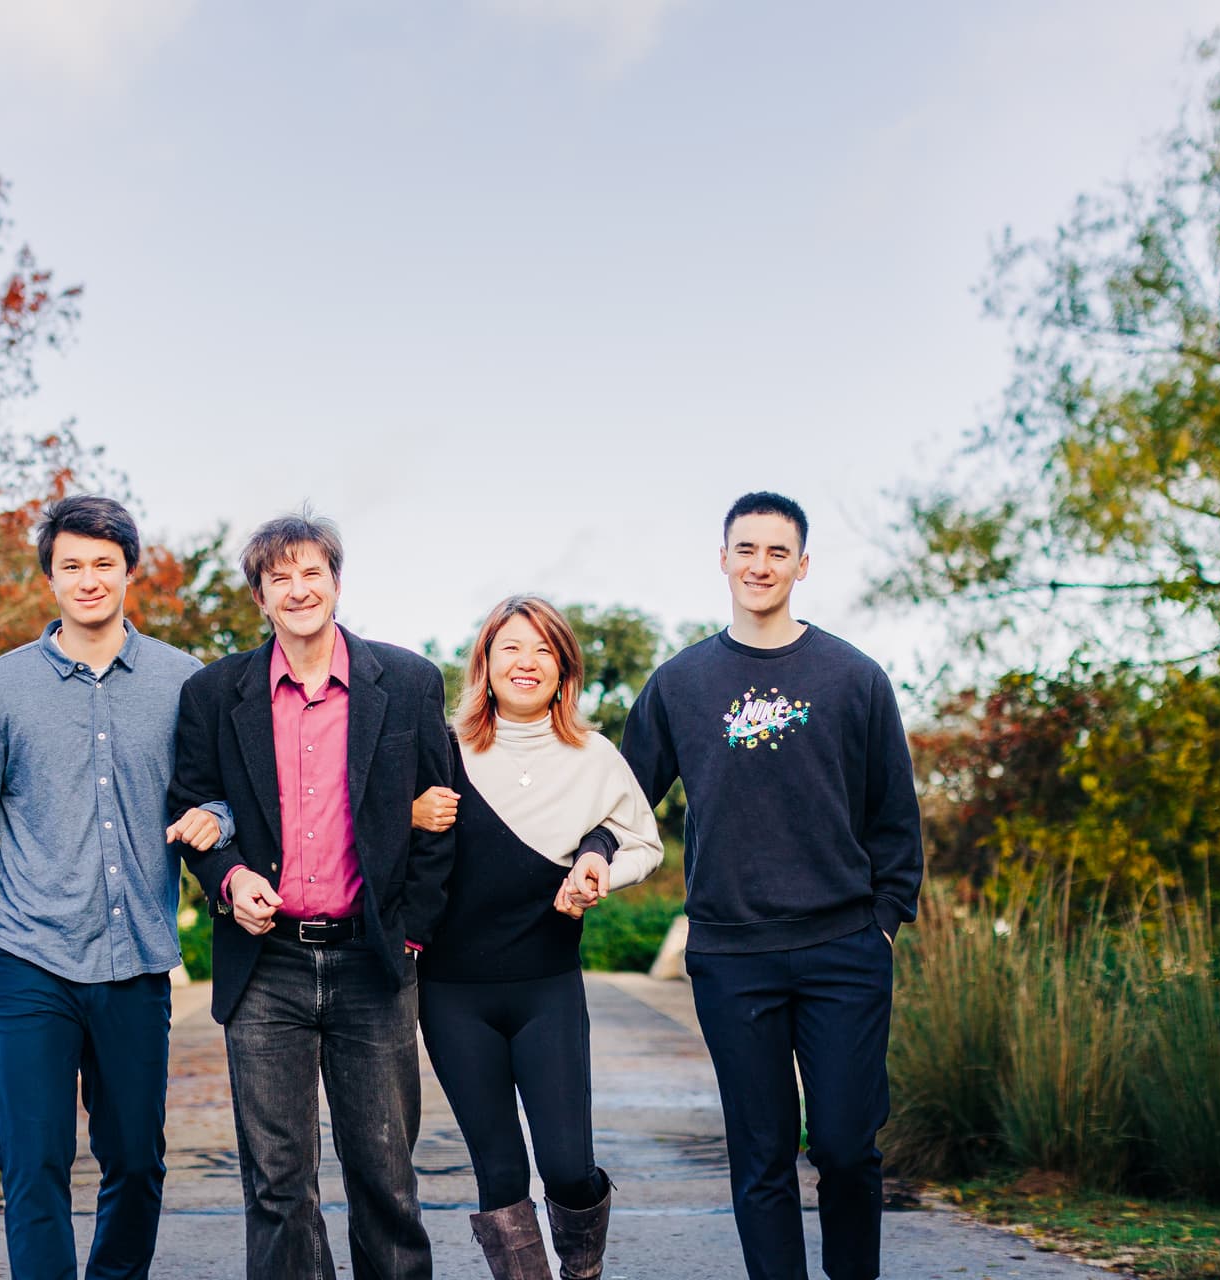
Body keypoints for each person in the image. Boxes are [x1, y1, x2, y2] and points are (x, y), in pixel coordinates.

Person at [618, 491, 923, 1280]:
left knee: (848, 1148)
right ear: (723, 559)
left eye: (777, 552)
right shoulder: (680, 683)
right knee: (761, 1156)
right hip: (732, 955)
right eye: (745, 549)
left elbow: (896, 816)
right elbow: (621, 799)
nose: (760, 565)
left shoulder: (854, 677)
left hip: (844, 950)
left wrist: (884, 920)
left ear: (803, 565)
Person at [0, 494, 233, 1280]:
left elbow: (224, 791)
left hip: (136, 959)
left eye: (104, 564)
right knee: (33, 1159)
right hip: (31, 959)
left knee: (136, 1160)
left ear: (131, 571)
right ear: (51, 578)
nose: (89, 579)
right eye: (72, 565)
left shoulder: (182, 681)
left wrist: (217, 817)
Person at [167, 507, 456, 1280]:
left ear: (336, 582)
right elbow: (191, 808)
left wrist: (414, 934)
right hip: (266, 967)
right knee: (277, 1186)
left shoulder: (409, 681)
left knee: (387, 1179)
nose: (297, 589)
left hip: (374, 959)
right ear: (259, 598)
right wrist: (229, 878)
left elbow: (441, 815)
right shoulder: (213, 694)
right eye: (277, 578)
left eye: (311, 573)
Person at [409, 596, 662, 1280]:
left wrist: (600, 862)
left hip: (546, 988)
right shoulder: (440, 748)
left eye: (544, 650)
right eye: (511, 648)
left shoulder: (594, 756)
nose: (527, 662)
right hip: (452, 994)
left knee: (568, 1167)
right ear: (485, 664)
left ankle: (582, 1269)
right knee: (500, 1170)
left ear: (564, 671)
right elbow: (378, 835)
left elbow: (646, 842)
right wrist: (409, 812)